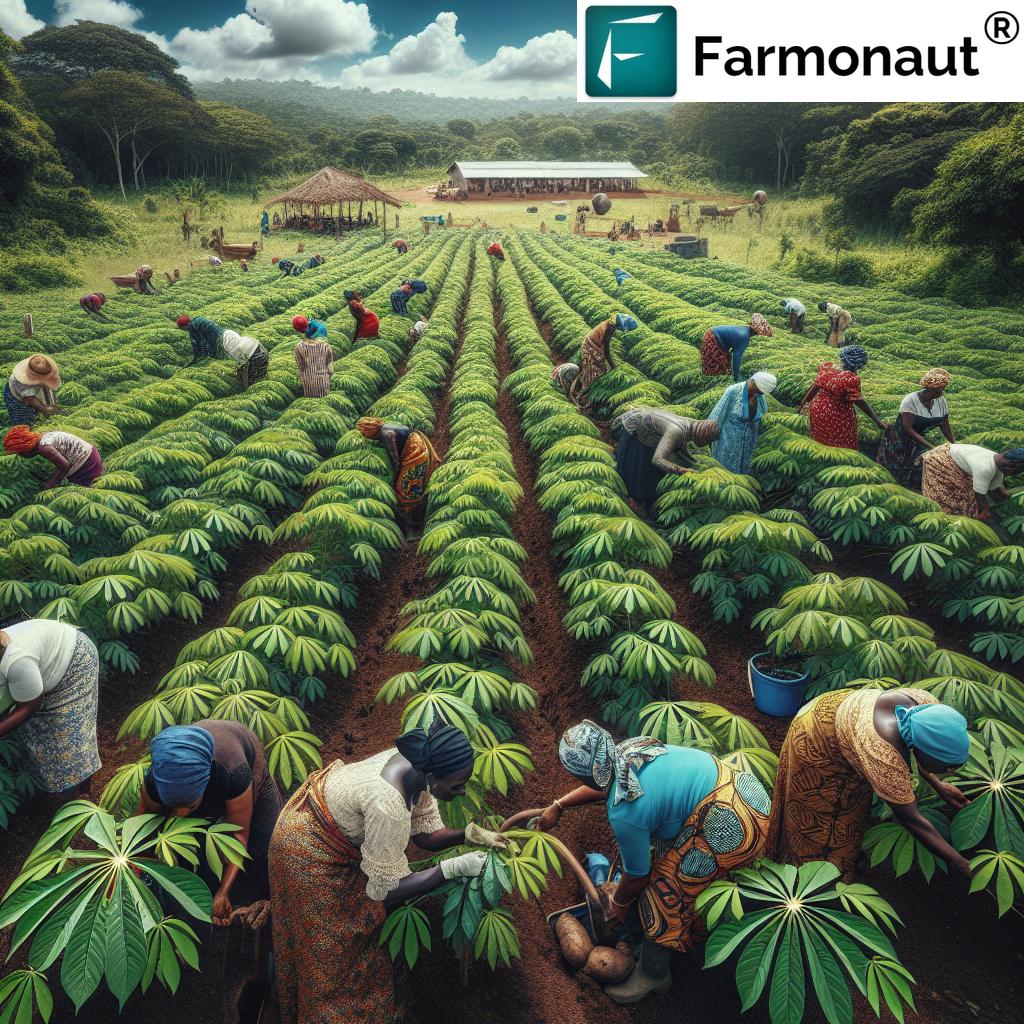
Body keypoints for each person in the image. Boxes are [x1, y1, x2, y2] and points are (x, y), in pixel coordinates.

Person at [269, 723, 505, 1024]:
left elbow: (424, 835)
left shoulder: (418, 766)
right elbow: (387, 890)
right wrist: (451, 869)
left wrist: (468, 834)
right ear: (432, 777)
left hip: (336, 834)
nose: (460, 793)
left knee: (368, 935)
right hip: (305, 849)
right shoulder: (389, 803)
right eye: (456, 786)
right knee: (331, 955)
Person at [537, 720, 770, 1004]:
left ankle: (653, 973)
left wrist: (619, 905)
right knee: (665, 861)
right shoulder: (628, 750)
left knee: (662, 890)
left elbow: (637, 875)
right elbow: (608, 782)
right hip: (743, 790)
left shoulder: (625, 814)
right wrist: (559, 805)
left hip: (730, 824)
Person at [767, 688, 971, 880]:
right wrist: (961, 864)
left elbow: (918, 743)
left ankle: (842, 865)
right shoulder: (883, 756)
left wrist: (939, 786)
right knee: (814, 821)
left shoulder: (927, 707)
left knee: (850, 812)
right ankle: (810, 880)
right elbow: (913, 820)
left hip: (848, 722)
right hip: (815, 737)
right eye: (946, 767)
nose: (947, 773)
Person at [139, 722, 283, 923]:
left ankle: (271, 913)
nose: (180, 815)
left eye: (188, 806)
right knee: (198, 853)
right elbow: (140, 833)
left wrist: (223, 892)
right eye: (174, 806)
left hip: (243, 761)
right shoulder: (157, 779)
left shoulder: (233, 771)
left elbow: (239, 836)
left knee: (262, 852)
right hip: (206, 780)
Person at [0, 618, 100, 796]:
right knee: (35, 731)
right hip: (45, 664)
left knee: (72, 735)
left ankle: (82, 794)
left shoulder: (17, 661)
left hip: (75, 664)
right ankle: (46, 785)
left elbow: (30, 707)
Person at [611, 407, 719, 518]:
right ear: (704, 434)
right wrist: (682, 471)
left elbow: (679, 451)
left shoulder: (689, 424)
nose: (706, 444)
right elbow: (657, 459)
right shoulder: (676, 431)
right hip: (636, 434)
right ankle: (635, 504)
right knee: (638, 475)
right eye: (708, 440)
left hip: (648, 432)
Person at [356, 416, 442, 539]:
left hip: (415, 453)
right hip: (416, 444)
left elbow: (395, 460)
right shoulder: (386, 426)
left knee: (406, 491)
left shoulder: (386, 434)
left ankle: (415, 529)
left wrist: (394, 478)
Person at [877, 368, 956, 488]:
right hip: (901, 439)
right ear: (931, 390)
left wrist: (954, 444)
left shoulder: (940, 401)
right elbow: (908, 429)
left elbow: (944, 425)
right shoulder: (910, 400)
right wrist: (930, 447)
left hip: (920, 436)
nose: (942, 393)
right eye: (940, 390)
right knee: (898, 473)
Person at [799, 345, 887, 451]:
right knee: (841, 446)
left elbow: (815, 387)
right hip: (837, 414)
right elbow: (860, 402)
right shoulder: (850, 378)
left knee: (820, 442)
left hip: (818, 409)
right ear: (858, 364)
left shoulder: (827, 367)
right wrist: (878, 421)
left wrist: (802, 405)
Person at [920, 444, 1024, 521]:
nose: (1014, 474)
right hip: (940, 459)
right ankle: (944, 521)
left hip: (956, 458)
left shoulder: (997, 463)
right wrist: (984, 511)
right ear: (1011, 466)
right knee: (951, 496)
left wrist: (1014, 500)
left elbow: (997, 490)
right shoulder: (985, 468)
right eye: (1017, 471)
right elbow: (980, 496)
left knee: (968, 498)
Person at [709, 371, 777, 474]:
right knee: (725, 471)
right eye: (759, 390)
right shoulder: (733, 391)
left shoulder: (760, 397)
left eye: (762, 392)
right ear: (754, 382)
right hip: (729, 441)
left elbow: (760, 418)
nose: (760, 394)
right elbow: (718, 414)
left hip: (749, 442)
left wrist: (752, 408)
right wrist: (710, 435)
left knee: (745, 473)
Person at [3, 425, 104, 487]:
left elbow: (64, 465)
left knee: (85, 492)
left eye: (20, 453)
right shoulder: (43, 438)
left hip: (86, 463)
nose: (21, 456)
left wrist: (50, 483)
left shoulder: (44, 447)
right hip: (90, 455)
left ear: (27, 449)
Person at [579, 313, 637, 412]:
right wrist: (613, 366)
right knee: (593, 374)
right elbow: (606, 349)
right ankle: (586, 398)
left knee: (602, 371)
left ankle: (594, 399)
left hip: (596, 346)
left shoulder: (611, 324)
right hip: (590, 347)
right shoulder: (608, 328)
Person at [700, 314, 773, 382]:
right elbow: (736, 358)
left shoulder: (745, 330)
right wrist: (736, 379)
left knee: (724, 366)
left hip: (714, 335)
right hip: (713, 338)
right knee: (717, 369)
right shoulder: (744, 337)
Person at [4, 355, 61, 427]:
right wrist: (46, 410)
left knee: (45, 404)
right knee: (24, 419)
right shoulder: (21, 382)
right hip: (16, 398)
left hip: (31, 393)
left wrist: (53, 405)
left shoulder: (42, 367)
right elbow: (31, 400)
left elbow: (48, 388)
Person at [294, 327, 334, 399]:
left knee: (312, 403)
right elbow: (330, 369)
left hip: (308, 381)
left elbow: (300, 367)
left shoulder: (299, 347)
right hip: (323, 381)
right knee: (324, 402)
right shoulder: (326, 346)